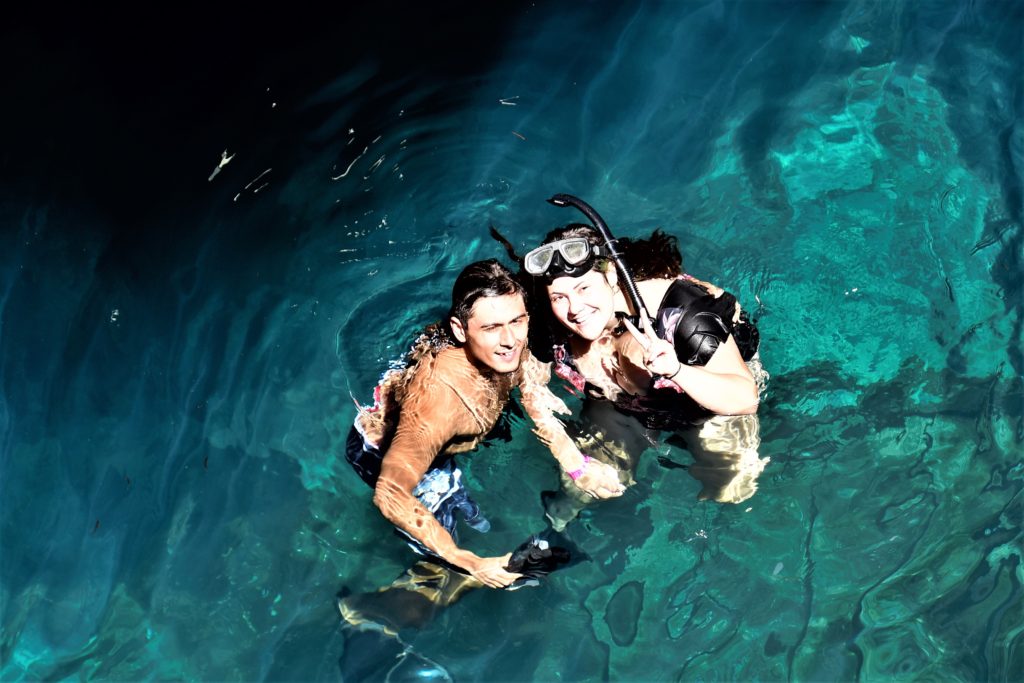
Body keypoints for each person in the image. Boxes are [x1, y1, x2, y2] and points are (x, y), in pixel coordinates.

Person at [337, 260, 623, 647]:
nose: (511, 340)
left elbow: (529, 384)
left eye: (517, 322)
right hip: (392, 452)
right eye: (490, 328)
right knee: (446, 568)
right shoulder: (440, 401)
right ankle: (374, 617)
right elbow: (390, 493)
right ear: (460, 330)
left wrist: (571, 459)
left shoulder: (511, 339)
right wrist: (468, 560)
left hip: (440, 436)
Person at [503, 210, 769, 527]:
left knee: (735, 485)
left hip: (705, 400)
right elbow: (530, 386)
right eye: (559, 296)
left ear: (612, 276)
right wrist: (573, 461)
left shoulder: (682, 313)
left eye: (584, 288)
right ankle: (540, 545)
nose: (574, 309)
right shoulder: (551, 321)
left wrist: (676, 370)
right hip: (621, 402)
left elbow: (744, 398)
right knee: (588, 486)